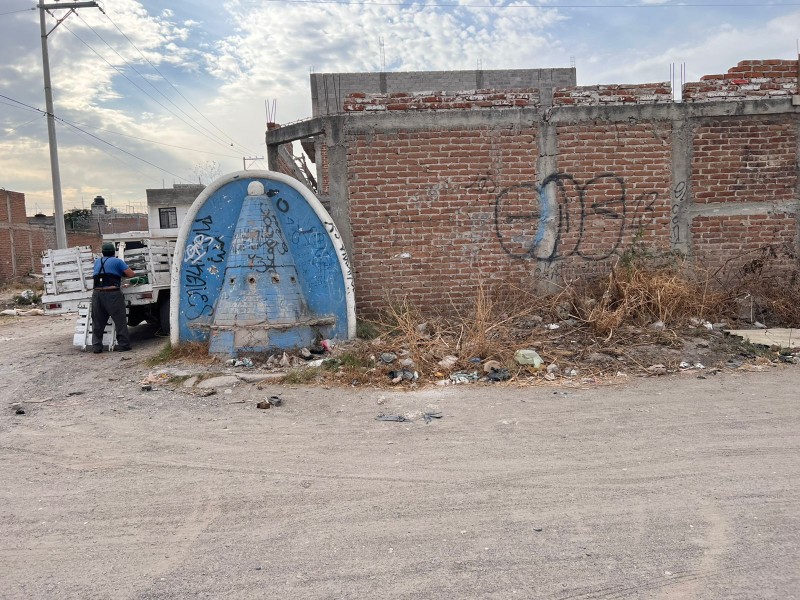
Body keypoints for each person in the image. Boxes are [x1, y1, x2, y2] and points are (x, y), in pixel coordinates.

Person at [91, 241, 135, 353]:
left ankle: (96, 347)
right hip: (113, 294)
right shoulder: (117, 262)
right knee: (120, 320)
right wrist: (121, 273)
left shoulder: (97, 262)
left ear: (103, 252)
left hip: (97, 295)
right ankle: (124, 345)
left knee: (97, 322)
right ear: (113, 252)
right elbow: (131, 274)